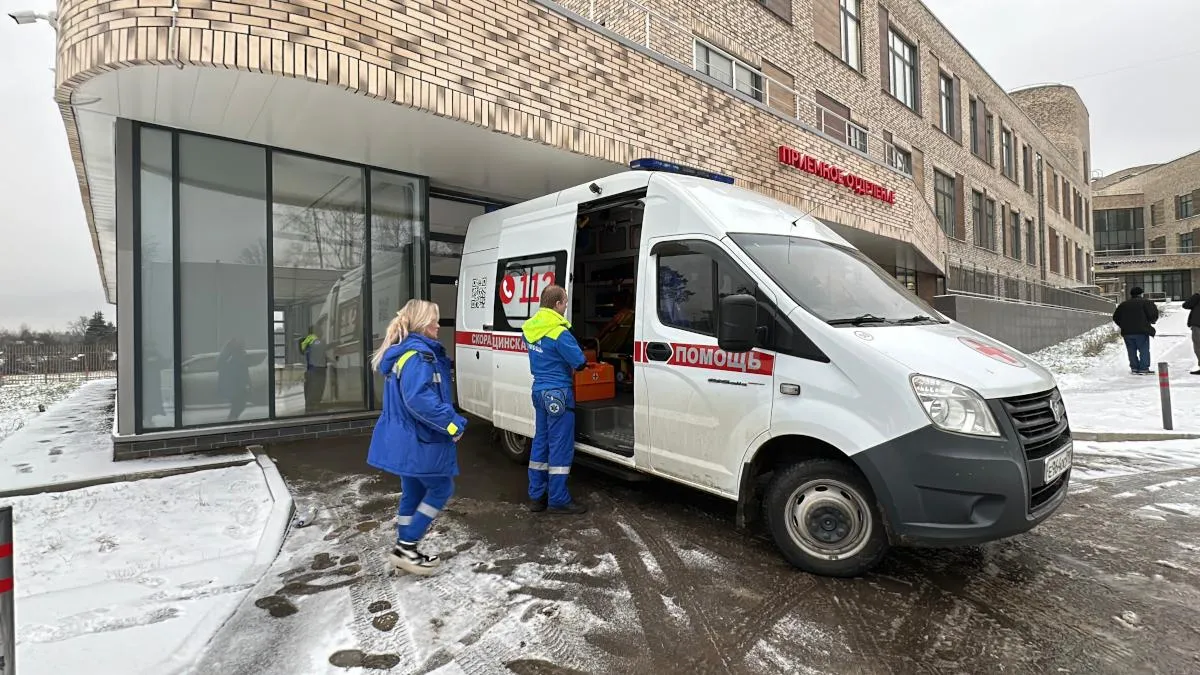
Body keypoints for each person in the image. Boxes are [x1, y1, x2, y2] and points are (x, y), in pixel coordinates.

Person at [366, 299, 467, 575]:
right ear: (423, 324)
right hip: (420, 439)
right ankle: (406, 547)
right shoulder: (420, 357)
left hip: (405, 439)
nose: (438, 324)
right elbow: (418, 399)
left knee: (413, 490)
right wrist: (452, 424)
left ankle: (404, 547)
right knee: (441, 488)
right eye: (434, 320)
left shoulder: (404, 353)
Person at [523, 284, 588, 515]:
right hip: (558, 393)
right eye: (565, 302)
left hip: (539, 391)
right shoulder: (559, 332)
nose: (566, 306)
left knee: (540, 443)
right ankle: (558, 499)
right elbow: (579, 362)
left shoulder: (529, 329)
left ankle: (536, 497)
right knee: (560, 446)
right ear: (557, 304)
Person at [1112, 287, 1159, 375]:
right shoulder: (1146, 302)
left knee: (1131, 350)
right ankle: (1144, 368)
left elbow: (1116, 317)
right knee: (1143, 349)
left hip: (1127, 332)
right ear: (1141, 294)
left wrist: (1123, 325)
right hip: (1142, 331)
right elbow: (1153, 315)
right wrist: (1151, 321)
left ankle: (1134, 368)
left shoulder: (1123, 305)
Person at [301, 327, 327, 412]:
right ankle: (313, 408)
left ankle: (309, 408)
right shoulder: (316, 341)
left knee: (310, 390)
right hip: (316, 370)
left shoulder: (308, 341)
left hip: (311, 369)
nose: (322, 331)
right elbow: (323, 348)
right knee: (316, 389)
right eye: (320, 330)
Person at [1183, 292, 1200, 375]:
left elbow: (1186, 305)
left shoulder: (1197, 297)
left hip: (1198, 324)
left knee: (1198, 346)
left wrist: (1196, 296)